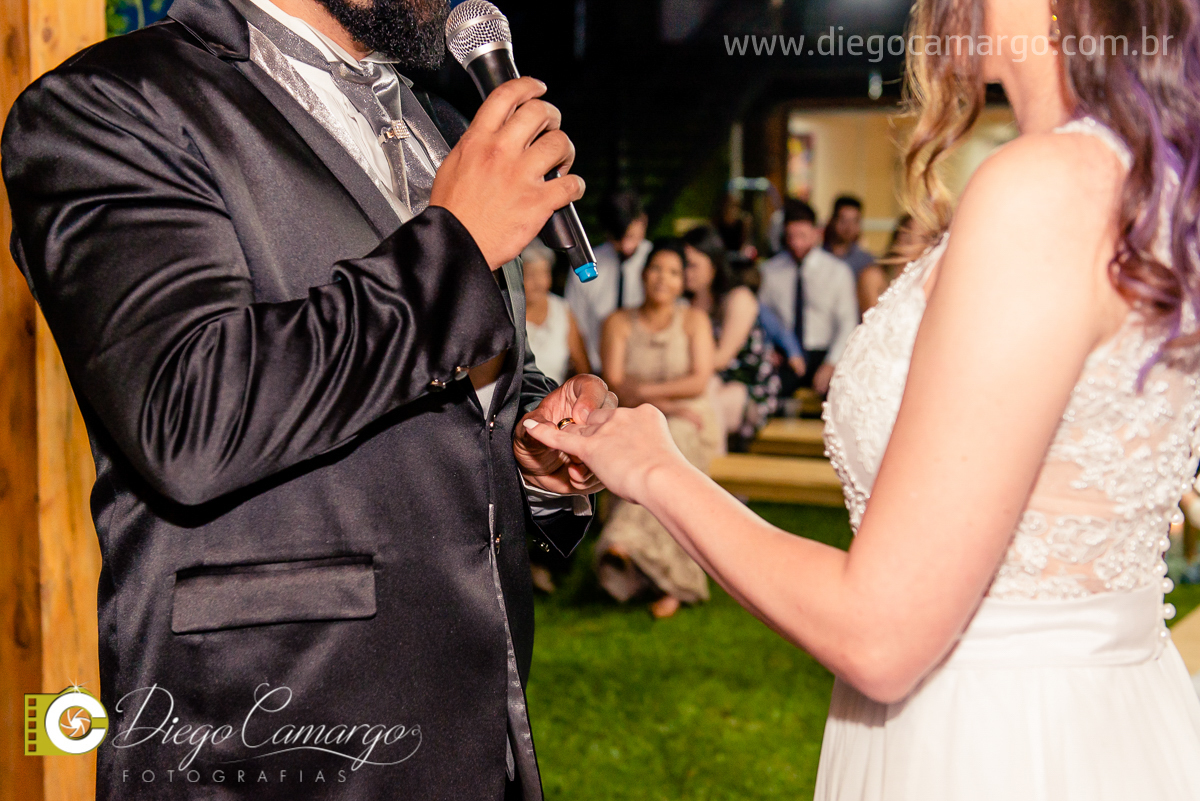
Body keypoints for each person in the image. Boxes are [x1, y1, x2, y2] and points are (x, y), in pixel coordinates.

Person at [521, 0, 1200, 796]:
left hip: (997, 738)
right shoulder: (1151, 185)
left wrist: (653, 467)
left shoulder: (1046, 190)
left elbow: (880, 632)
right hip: (1106, 712)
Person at [2, 0, 616, 797]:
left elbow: (449, 383)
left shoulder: (440, 119)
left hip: (477, 724)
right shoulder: (110, 105)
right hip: (279, 734)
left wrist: (529, 445)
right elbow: (190, 415)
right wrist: (457, 244)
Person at [595, 241, 720, 619]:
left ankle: (626, 544)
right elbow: (614, 383)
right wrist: (661, 402)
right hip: (635, 415)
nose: (663, 278)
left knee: (674, 442)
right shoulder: (618, 322)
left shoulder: (694, 321)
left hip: (690, 418)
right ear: (643, 274)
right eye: (656, 269)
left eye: (674, 272)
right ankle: (657, 576)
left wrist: (653, 396)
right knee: (648, 443)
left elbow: (698, 381)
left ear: (683, 282)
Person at [683, 226, 781, 446]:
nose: (686, 272)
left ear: (714, 264)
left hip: (748, 387)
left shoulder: (739, 298)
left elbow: (721, 359)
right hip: (701, 383)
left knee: (703, 405)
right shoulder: (682, 303)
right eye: (683, 264)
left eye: (693, 265)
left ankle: (710, 463)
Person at [758, 199, 858, 396]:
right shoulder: (770, 271)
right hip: (785, 355)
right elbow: (763, 317)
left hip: (824, 352)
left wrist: (832, 363)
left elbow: (847, 322)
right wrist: (768, 348)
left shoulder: (838, 272)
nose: (796, 243)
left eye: (802, 236)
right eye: (791, 236)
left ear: (816, 233)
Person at [565, 189, 653, 367]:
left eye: (631, 236)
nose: (626, 247)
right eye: (618, 239)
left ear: (643, 220)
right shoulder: (585, 266)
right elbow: (574, 325)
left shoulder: (659, 263)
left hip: (648, 369)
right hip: (598, 368)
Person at [522, 240, 591, 386]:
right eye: (531, 274)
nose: (538, 282)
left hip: (555, 394)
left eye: (544, 272)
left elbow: (583, 368)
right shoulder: (507, 313)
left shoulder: (562, 310)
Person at [858, 214, 916, 313]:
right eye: (907, 231)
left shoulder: (927, 280)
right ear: (897, 234)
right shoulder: (873, 276)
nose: (912, 238)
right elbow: (872, 316)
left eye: (922, 236)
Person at [822, 195, 876, 279]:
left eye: (854, 221)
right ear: (833, 220)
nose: (849, 227)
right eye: (844, 221)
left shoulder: (866, 262)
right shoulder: (818, 256)